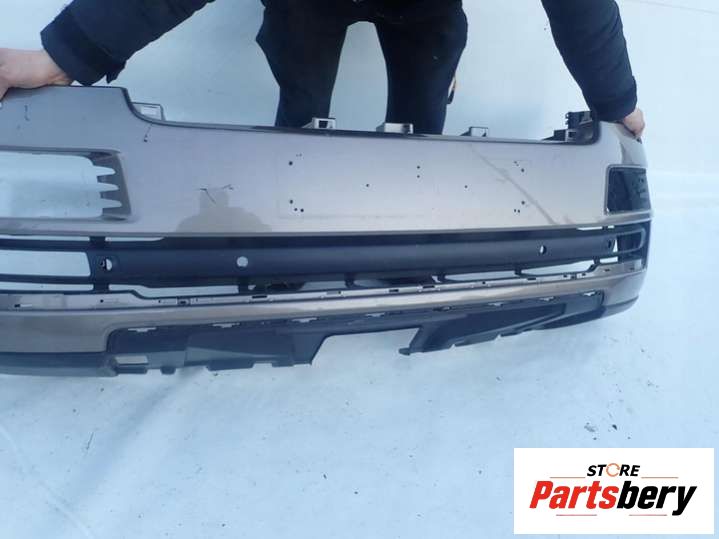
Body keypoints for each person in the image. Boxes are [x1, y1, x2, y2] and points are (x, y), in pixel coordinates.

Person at [0, 0, 645, 137]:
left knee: (423, 130)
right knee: (302, 123)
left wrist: (615, 102)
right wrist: (67, 57)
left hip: (424, 10)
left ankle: (415, 246)